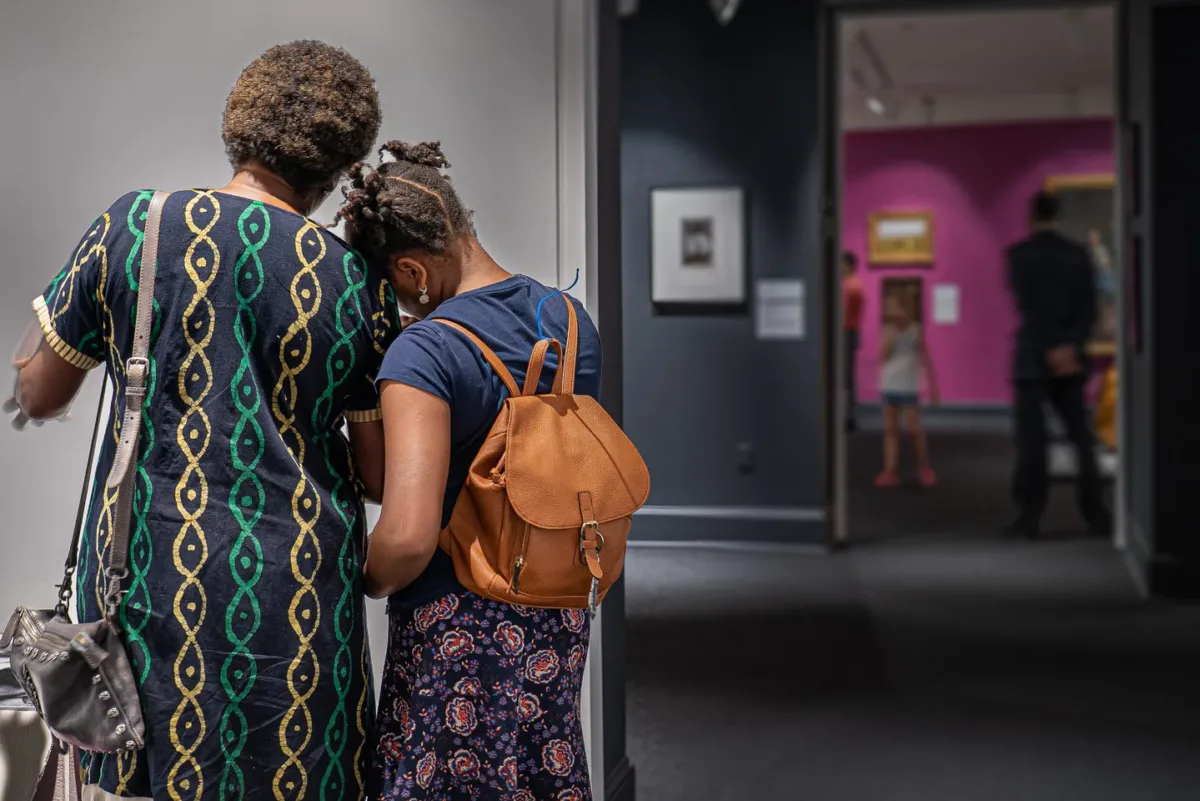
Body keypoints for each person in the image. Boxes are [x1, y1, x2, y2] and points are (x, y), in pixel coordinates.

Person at [8, 41, 395, 800]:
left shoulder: (140, 224)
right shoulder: (358, 283)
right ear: (335, 165)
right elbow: (377, 475)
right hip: (299, 602)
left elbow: (42, 392)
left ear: (238, 125)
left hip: (150, 586)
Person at [337, 141, 600, 800]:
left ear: (410, 269)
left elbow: (406, 536)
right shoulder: (569, 320)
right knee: (538, 767)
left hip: (455, 625)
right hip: (557, 609)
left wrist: (354, 580)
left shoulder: (423, 351)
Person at [1005, 191, 1110, 539]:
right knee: (1082, 439)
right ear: (1058, 214)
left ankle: (1030, 517)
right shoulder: (1078, 255)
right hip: (1071, 362)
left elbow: (1029, 307)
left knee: (1032, 443)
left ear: (1032, 215)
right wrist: (1070, 346)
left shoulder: (1019, 256)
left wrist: (1050, 346)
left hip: (1034, 358)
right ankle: (1096, 514)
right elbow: (1090, 309)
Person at [874, 291, 939, 489]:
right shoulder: (887, 330)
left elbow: (926, 359)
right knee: (890, 430)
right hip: (889, 383)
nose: (890, 310)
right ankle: (890, 471)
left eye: (893, 306)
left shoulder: (916, 330)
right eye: (888, 306)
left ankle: (924, 468)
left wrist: (934, 386)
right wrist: (890, 338)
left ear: (904, 308)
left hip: (909, 384)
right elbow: (882, 357)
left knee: (913, 430)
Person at [842, 251, 866, 431]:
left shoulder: (850, 286)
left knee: (846, 377)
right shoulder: (856, 285)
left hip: (846, 333)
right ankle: (849, 415)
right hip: (851, 332)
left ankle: (848, 416)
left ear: (849, 265)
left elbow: (842, 313)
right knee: (848, 377)